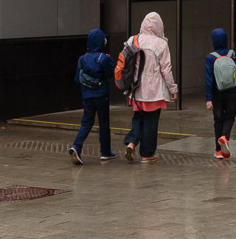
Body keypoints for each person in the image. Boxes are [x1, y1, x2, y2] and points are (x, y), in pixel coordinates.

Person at [122, 12, 178, 163]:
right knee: (151, 123)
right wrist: (173, 89)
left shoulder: (133, 40)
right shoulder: (161, 44)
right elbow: (166, 69)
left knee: (138, 118)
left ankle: (131, 142)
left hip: (136, 88)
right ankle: (147, 154)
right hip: (154, 90)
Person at [69, 28, 115, 165]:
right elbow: (110, 74)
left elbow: (78, 78)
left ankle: (76, 146)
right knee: (104, 123)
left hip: (87, 97)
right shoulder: (103, 58)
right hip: (101, 96)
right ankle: (105, 152)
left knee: (86, 123)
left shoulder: (82, 59)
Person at [205, 28, 236, 159]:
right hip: (231, 92)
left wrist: (209, 98)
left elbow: (209, 79)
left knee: (218, 120)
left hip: (217, 93)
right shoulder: (234, 55)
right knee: (230, 116)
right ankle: (225, 137)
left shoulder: (210, 57)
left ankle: (218, 151)